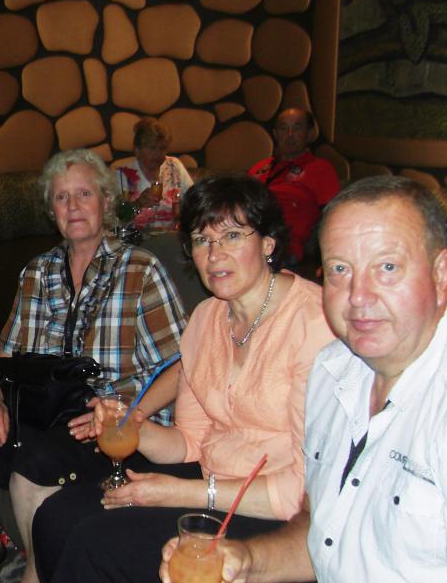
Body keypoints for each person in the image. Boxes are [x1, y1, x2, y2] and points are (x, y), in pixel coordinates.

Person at [160, 176, 447, 583]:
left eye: (387, 267)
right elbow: (327, 537)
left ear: (441, 272)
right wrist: (245, 561)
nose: (359, 296)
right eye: (340, 269)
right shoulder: (335, 370)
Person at [33, 176, 334, 583]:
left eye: (232, 236)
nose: (214, 255)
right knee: (55, 515)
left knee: (96, 543)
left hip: (273, 512)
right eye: (201, 240)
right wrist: (130, 425)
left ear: (268, 243)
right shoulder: (206, 319)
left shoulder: (314, 325)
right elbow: (189, 441)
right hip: (210, 481)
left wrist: (178, 493)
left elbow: (304, 488)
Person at [0, 149, 187, 583]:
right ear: (51, 209)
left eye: (84, 194)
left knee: (33, 467)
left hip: (109, 421)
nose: (73, 206)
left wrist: (127, 417)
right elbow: (6, 352)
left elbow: (182, 365)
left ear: (106, 202)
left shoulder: (141, 270)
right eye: (61, 197)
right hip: (41, 409)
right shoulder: (37, 272)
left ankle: (39, 572)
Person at [248, 107, 340, 269]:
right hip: (246, 236)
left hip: (280, 246)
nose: (289, 134)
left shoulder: (320, 169)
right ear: (275, 134)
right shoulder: (260, 167)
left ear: (309, 134)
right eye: (283, 128)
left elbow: (334, 215)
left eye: (297, 127)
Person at [117, 117, 194, 231]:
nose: (158, 154)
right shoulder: (123, 175)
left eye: (162, 148)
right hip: (137, 238)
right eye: (152, 148)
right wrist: (138, 204)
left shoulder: (174, 166)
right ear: (137, 150)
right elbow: (117, 220)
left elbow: (195, 200)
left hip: (173, 236)